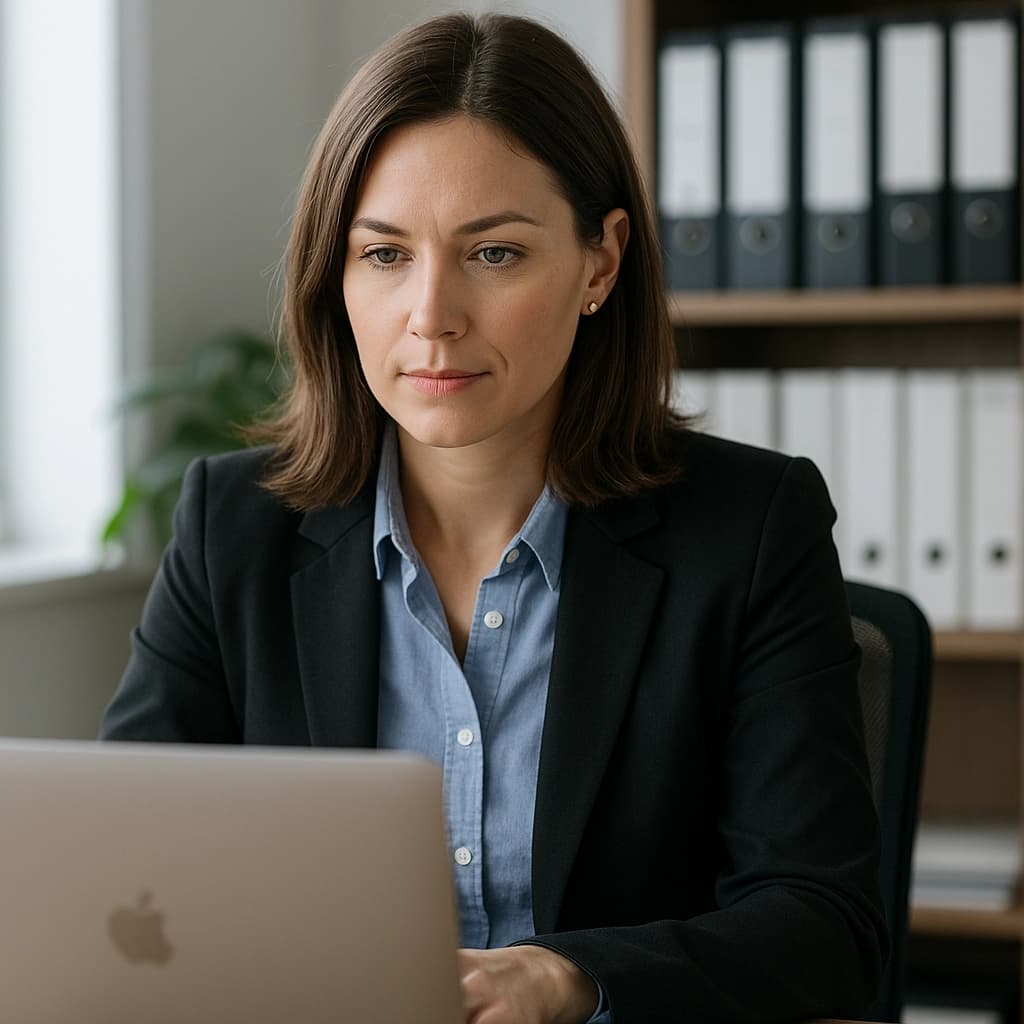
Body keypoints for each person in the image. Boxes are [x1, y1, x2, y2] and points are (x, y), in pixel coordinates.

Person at [100, 12, 887, 1024]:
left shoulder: (750, 529)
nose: (432, 315)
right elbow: (118, 871)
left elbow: (821, 924)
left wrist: (566, 978)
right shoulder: (232, 529)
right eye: (386, 256)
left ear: (600, 263)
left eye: (495, 253)